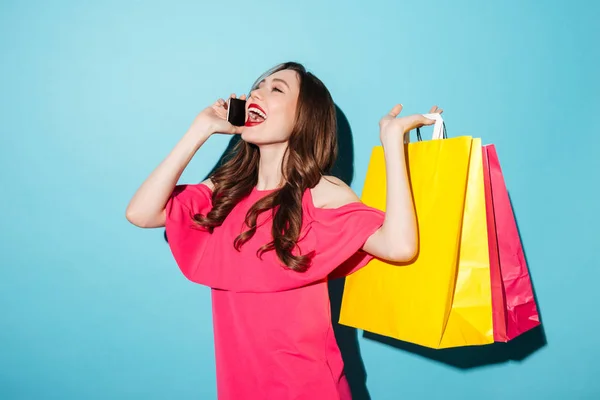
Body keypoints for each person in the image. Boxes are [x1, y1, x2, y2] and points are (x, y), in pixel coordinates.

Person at [126, 61, 443, 399]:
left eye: (276, 89)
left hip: (310, 388)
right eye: (257, 87)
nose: (256, 94)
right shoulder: (224, 191)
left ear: (304, 117)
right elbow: (141, 213)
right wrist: (200, 130)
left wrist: (392, 142)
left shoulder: (321, 192)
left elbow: (399, 247)